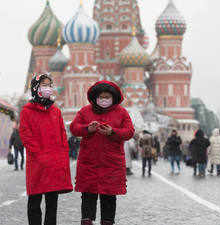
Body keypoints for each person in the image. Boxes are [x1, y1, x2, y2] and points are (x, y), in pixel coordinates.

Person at [70, 81, 135, 225]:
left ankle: (107, 221)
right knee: (88, 195)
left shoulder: (121, 112)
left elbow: (129, 131)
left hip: (111, 163)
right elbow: (74, 128)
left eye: (107, 97)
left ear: (113, 97)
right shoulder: (85, 111)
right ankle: (87, 220)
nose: (104, 99)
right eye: (101, 97)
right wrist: (87, 129)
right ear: (95, 97)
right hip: (90, 162)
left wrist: (113, 132)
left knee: (109, 196)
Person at [19, 73, 73, 225]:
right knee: (34, 201)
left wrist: (63, 156)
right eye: (44, 85)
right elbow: (26, 135)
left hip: (54, 163)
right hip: (37, 163)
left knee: (52, 203)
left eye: (50, 85)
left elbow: (63, 135)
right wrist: (40, 155)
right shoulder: (27, 111)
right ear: (36, 87)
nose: (48, 88)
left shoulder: (55, 111)